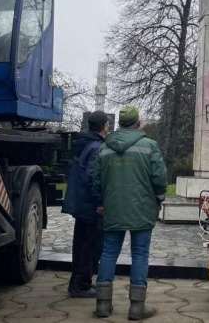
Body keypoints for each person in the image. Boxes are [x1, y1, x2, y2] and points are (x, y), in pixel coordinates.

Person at [91, 106, 167, 320]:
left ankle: (103, 305)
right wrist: (159, 197)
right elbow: (159, 178)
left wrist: (100, 201)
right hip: (142, 208)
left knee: (108, 253)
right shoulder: (149, 146)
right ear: (138, 123)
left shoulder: (105, 148)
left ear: (119, 124)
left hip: (112, 207)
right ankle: (136, 307)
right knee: (140, 254)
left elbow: (96, 179)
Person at [61, 110, 109, 297]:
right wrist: (99, 201)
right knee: (91, 245)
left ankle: (77, 282)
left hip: (81, 203)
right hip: (91, 206)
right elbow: (92, 177)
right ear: (105, 126)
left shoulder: (84, 143)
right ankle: (82, 284)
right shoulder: (97, 147)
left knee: (80, 244)